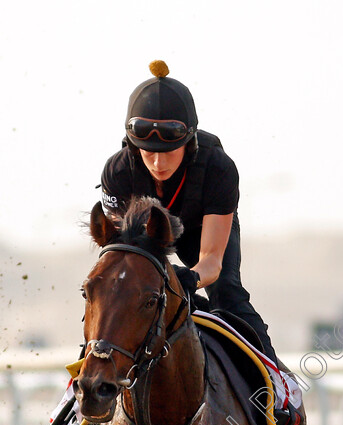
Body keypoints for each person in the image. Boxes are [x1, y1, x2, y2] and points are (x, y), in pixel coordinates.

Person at [99, 59, 278, 366]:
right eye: (147, 152)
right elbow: (118, 255)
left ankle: (279, 379)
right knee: (119, 292)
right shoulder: (117, 172)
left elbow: (211, 261)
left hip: (200, 232)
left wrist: (190, 279)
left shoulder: (219, 169)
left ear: (189, 143)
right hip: (146, 235)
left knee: (226, 292)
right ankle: (74, 396)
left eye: (168, 152)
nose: (157, 164)